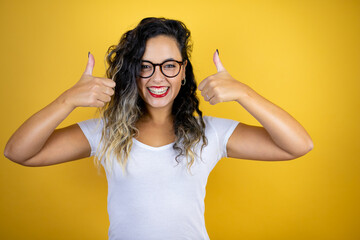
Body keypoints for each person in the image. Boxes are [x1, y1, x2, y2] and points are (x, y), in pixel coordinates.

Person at [4, 17, 313, 240]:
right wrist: (67, 100)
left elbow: (298, 145)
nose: (157, 78)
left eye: (169, 65)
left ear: (183, 72)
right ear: (132, 73)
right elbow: (18, 152)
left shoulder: (211, 133)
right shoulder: (107, 132)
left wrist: (244, 92)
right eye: (144, 66)